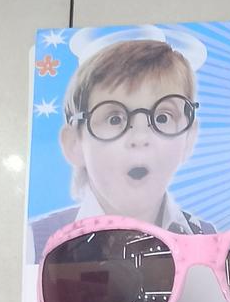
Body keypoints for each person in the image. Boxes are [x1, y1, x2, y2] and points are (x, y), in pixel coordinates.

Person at [29, 38, 214, 261]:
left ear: (189, 138)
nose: (140, 138)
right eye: (114, 119)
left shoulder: (208, 238)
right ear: (74, 143)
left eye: (162, 117)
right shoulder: (35, 244)